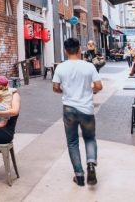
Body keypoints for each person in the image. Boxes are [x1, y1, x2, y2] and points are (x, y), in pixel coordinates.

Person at [52, 38, 102, 187]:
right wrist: (91, 90)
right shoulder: (89, 66)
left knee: (72, 142)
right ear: (79, 49)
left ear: (65, 51)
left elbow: (55, 88)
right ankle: (91, 164)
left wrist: (65, 91)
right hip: (86, 109)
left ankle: (79, 176)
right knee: (90, 138)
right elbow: (99, 86)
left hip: (69, 109)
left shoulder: (60, 68)